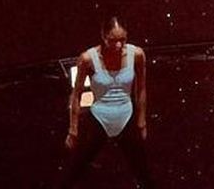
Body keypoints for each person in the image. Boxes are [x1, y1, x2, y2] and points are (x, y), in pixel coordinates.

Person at [60, 14, 152, 185]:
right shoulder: (87, 59)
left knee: (143, 170)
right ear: (103, 36)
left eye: (123, 40)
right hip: (100, 116)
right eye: (113, 40)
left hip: (126, 115)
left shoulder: (137, 54)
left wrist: (142, 121)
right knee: (75, 169)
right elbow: (76, 94)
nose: (118, 45)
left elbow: (141, 89)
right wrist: (73, 129)